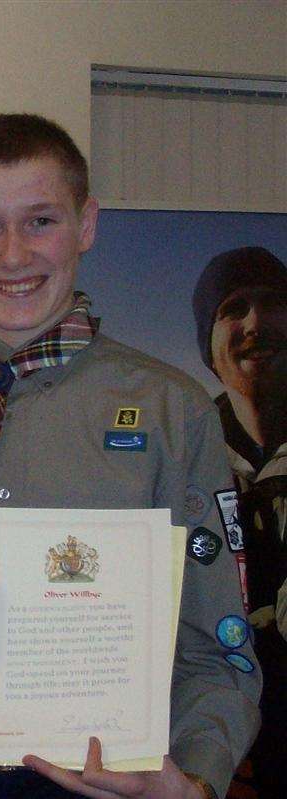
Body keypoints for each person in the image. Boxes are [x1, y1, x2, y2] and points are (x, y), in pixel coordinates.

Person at [0, 114, 260, 799]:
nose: (13, 255)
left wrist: (191, 783)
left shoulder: (172, 411)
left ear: (86, 225)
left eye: (41, 220)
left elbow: (216, 649)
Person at [192, 247, 286, 797]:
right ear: (208, 341)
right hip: (209, 751)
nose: (254, 323)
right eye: (234, 307)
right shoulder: (178, 453)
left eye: (273, 303)